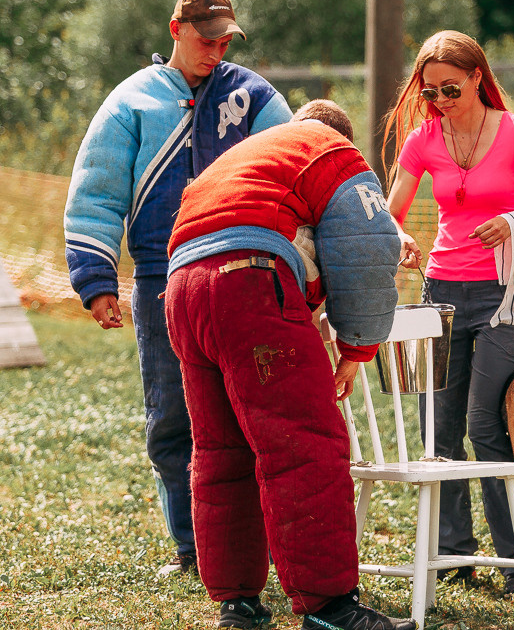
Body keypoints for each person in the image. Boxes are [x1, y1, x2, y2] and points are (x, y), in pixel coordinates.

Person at [63, 0, 292, 575]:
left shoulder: (255, 97)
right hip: (161, 282)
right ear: (175, 30)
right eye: (204, 38)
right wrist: (96, 277)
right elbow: (98, 190)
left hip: (245, 279)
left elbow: (298, 169)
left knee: (251, 415)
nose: (215, 51)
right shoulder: (130, 102)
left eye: (224, 41)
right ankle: (193, 548)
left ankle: (257, 543)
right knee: (171, 418)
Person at [164, 100, 415, 630]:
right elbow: (369, 250)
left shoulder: (251, 154)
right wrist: (358, 347)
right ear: (341, 138)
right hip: (247, 281)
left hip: (182, 288)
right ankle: (329, 608)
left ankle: (237, 602)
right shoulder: (333, 153)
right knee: (304, 443)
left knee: (221, 448)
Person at [382, 30, 514, 594]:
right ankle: (454, 553)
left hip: (505, 294)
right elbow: (391, 212)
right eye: (430, 91)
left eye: (450, 89)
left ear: (478, 77)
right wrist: (402, 238)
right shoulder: (423, 139)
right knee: (439, 428)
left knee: (489, 425)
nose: (440, 101)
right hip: (441, 292)